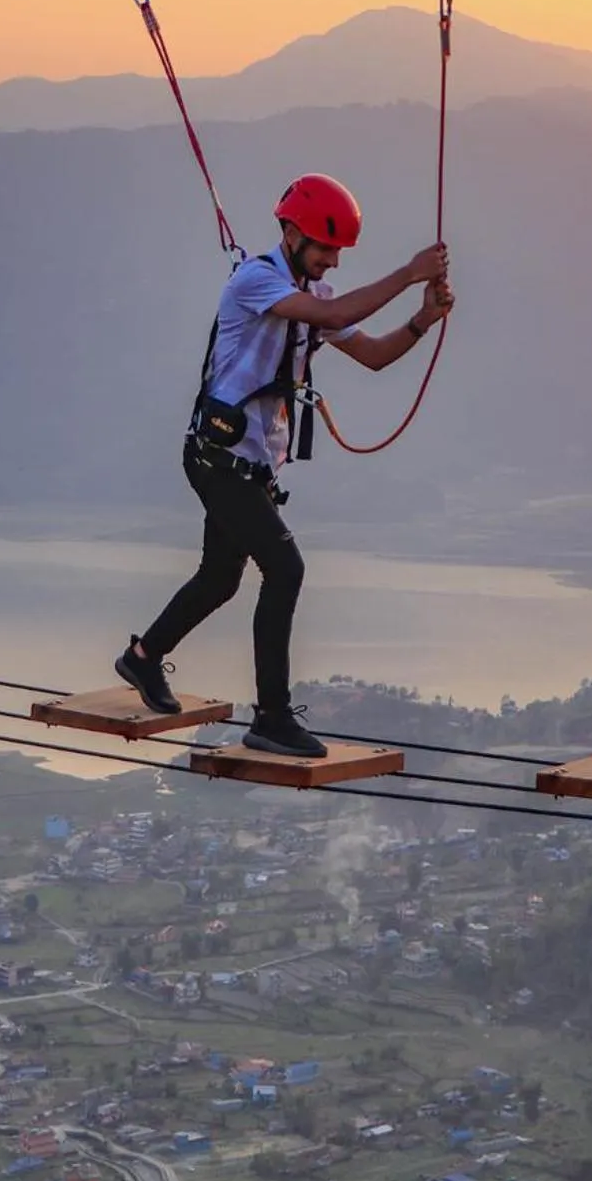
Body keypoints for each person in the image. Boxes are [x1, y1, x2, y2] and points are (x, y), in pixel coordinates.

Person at [115, 173, 453, 757]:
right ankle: (270, 716)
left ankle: (142, 658)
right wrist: (407, 273)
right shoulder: (255, 281)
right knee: (286, 568)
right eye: (325, 249)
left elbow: (372, 355)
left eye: (338, 252)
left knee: (221, 579)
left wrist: (422, 321)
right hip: (217, 459)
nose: (331, 263)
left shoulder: (318, 299)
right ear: (292, 234)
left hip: (249, 466)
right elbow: (334, 313)